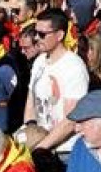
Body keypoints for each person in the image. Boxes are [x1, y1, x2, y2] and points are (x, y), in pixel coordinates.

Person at [22, 8, 89, 157]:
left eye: (42, 34)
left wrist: (40, 147)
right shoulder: (39, 61)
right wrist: (29, 130)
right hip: (38, 145)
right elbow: (31, 99)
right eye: (35, 33)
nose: (36, 39)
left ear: (59, 35)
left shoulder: (74, 67)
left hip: (64, 150)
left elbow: (70, 120)